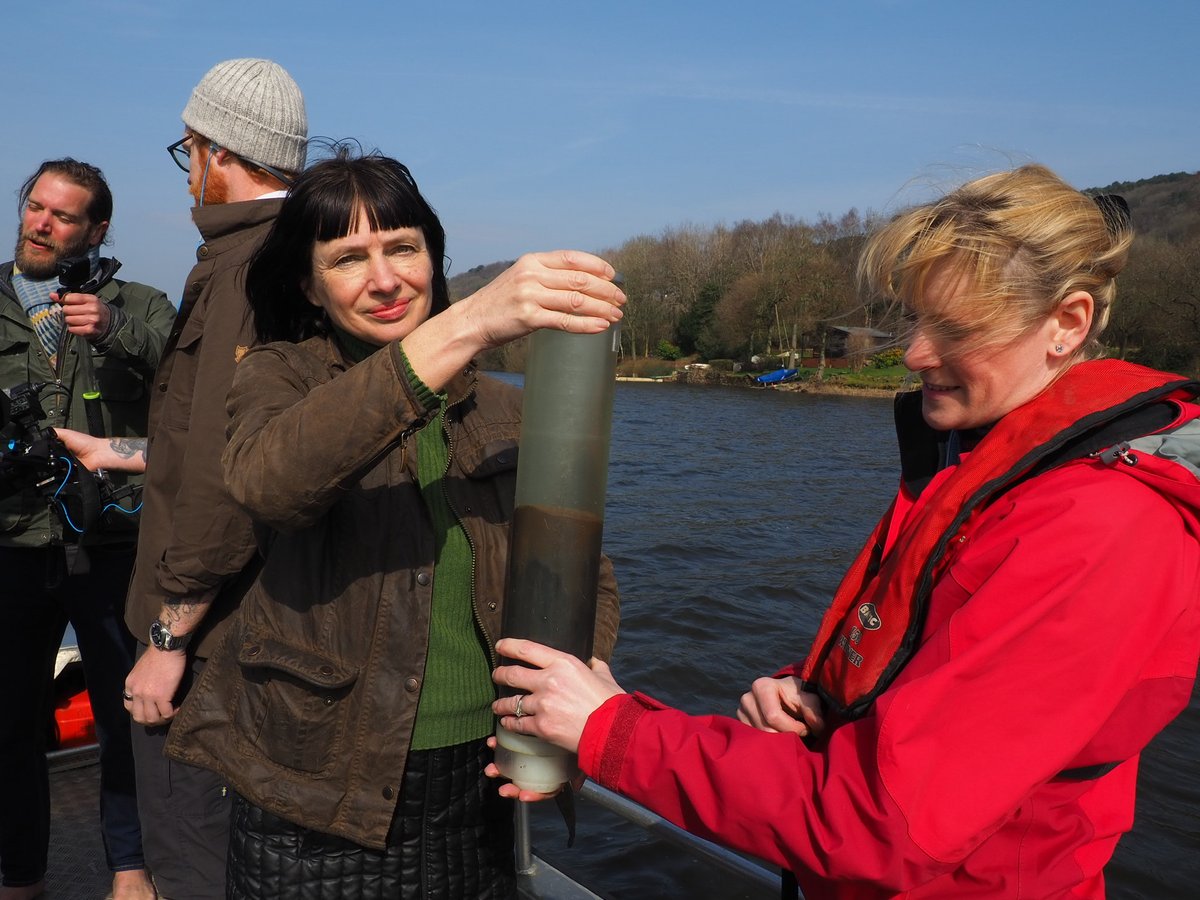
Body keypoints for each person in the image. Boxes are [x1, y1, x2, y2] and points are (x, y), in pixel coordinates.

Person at [491, 164, 1200, 899]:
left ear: (1068, 324)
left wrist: (612, 730)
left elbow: (879, 824)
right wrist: (823, 713)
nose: (917, 353)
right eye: (915, 319)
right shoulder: (984, 471)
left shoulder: (1096, 530)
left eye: (955, 328)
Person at [155, 149, 623, 899]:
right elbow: (273, 483)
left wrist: (566, 708)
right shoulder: (278, 376)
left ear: (433, 258)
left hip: (479, 790)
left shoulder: (505, 410)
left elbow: (581, 576)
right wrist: (468, 320)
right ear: (309, 283)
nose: (385, 279)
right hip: (316, 799)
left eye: (403, 248)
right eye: (349, 258)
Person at [121, 58, 307, 898]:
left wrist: (167, 641)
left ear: (217, 153)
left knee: (193, 853)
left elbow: (223, 479)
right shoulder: (298, 252)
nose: (189, 169)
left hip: (209, 642)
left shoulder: (244, 270)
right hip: (264, 628)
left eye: (188, 149)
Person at [0, 159, 175, 900]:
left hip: (113, 546)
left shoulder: (141, 302)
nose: (42, 222)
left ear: (96, 229)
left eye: (62, 215)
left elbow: (185, 377)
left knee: (124, 720)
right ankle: (20, 875)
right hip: (10, 543)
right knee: (9, 724)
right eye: (35, 207)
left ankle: (131, 870)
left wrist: (115, 331)